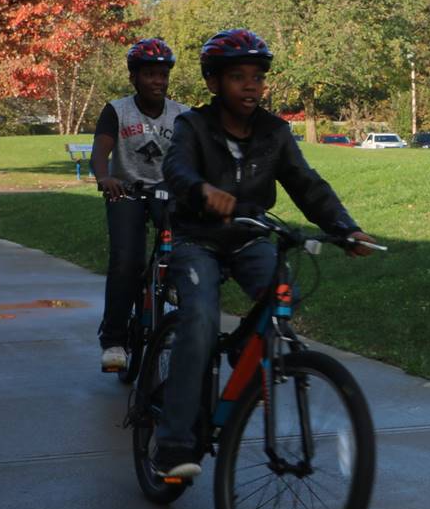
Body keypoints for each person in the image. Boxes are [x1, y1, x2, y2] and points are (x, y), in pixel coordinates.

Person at [156, 29, 375, 480]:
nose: (251, 86)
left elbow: (306, 184)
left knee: (284, 295)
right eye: (237, 77)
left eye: (257, 77)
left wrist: (345, 228)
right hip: (197, 239)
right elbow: (175, 168)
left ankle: (243, 351)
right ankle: (173, 441)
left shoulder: (275, 132)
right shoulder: (192, 126)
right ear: (214, 83)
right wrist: (202, 190)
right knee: (199, 321)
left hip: (249, 237)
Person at [91, 38, 189, 374]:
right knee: (126, 261)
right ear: (133, 77)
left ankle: (174, 283)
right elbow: (100, 153)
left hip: (168, 192)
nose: (158, 81)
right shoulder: (117, 110)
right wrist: (105, 178)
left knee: (186, 245)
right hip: (126, 192)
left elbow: (196, 157)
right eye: (149, 74)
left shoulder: (182, 115)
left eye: (163, 75)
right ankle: (114, 340)